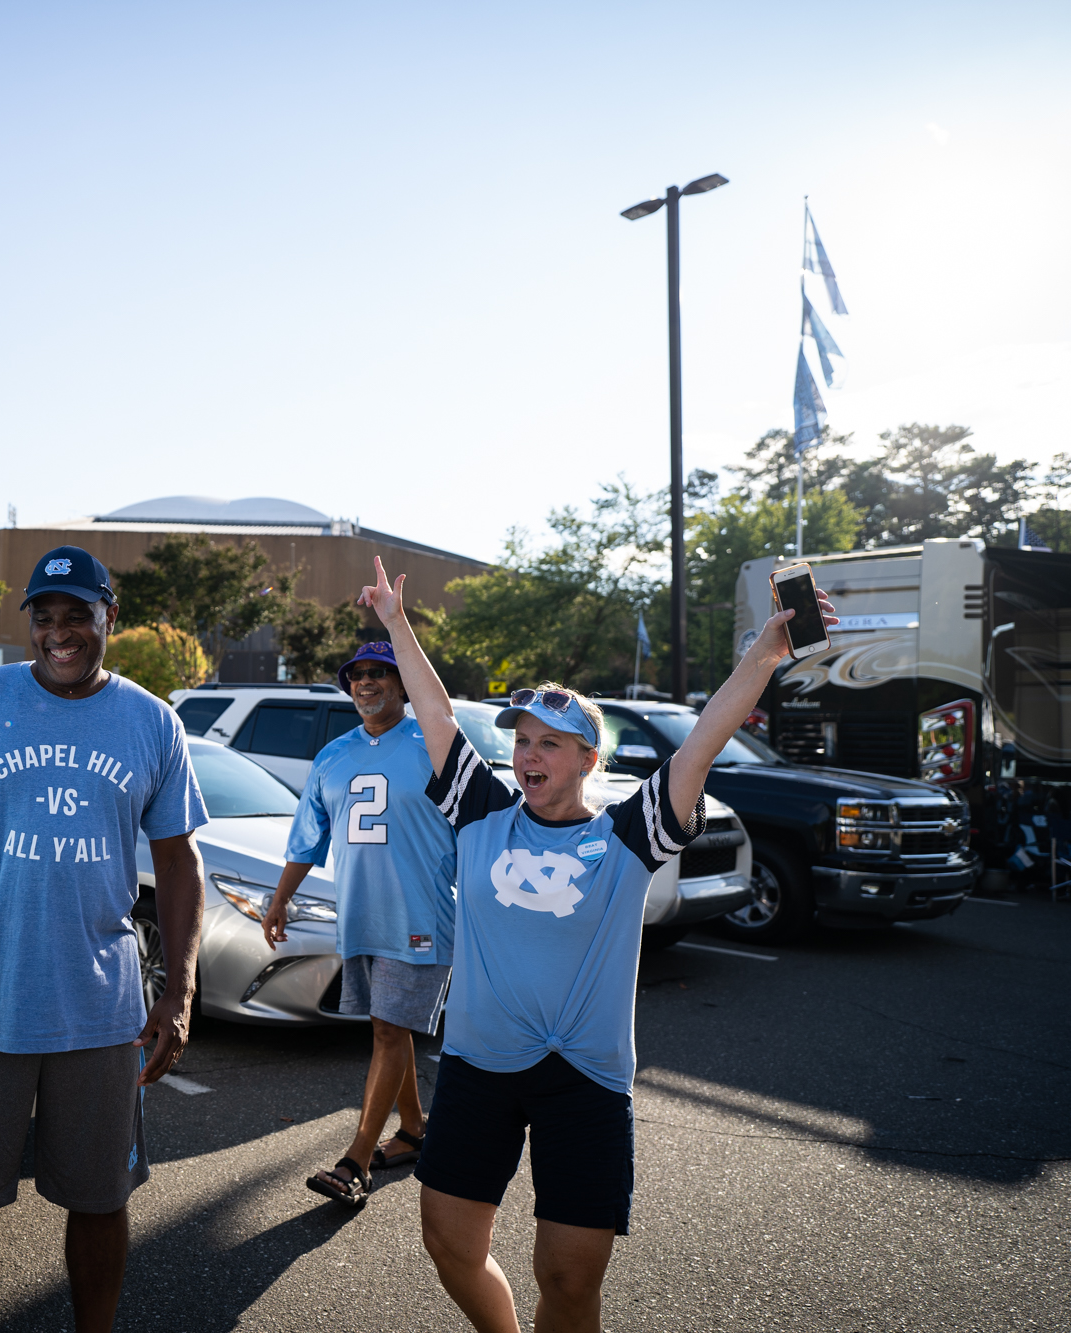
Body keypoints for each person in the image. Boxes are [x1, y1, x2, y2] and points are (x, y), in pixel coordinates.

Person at [357, 556, 834, 1333]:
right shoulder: (480, 814)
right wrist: (397, 624)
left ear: (589, 758)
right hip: (480, 1064)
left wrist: (764, 655)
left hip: (584, 1078)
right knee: (447, 1240)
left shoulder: (627, 833)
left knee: (569, 1276)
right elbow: (438, 715)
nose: (531, 755)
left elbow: (705, 737)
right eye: (524, 741)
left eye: (553, 743)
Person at [0, 545, 207, 1333]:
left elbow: (180, 863)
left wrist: (178, 991)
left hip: (99, 1005)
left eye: (76, 616)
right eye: (44, 618)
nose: (59, 633)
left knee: (100, 1197)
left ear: (108, 616)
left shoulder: (152, 720)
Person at [262, 641, 457, 1207]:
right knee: (386, 1028)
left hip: (421, 916)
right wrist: (279, 902)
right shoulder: (333, 755)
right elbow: (307, 839)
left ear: (402, 684)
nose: (367, 683)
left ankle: (355, 1163)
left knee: (389, 1031)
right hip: (362, 916)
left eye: (380, 673)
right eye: (357, 675)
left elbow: (478, 829)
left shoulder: (435, 745)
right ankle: (415, 1132)